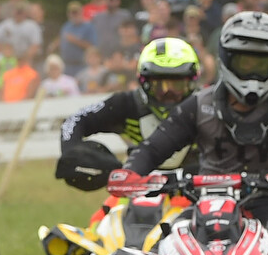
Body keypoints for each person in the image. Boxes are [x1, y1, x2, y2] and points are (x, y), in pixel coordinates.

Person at [109, 13, 268, 248]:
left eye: (262, 63)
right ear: (227, 59)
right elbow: (153, 148)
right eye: (245, 62)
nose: (253, 72)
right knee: (162, 253)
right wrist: (130, 173)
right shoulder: (199, 105)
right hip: (205, 204)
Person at [54, 36, 203, 185]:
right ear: (143, 82)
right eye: (159, 86)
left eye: (176, 86)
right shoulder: (125, 104)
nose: (167, 94)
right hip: (136, 187)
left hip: (200, 187)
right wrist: (72, 153)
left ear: (192, 83)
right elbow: (75, 120)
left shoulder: (207, 107)